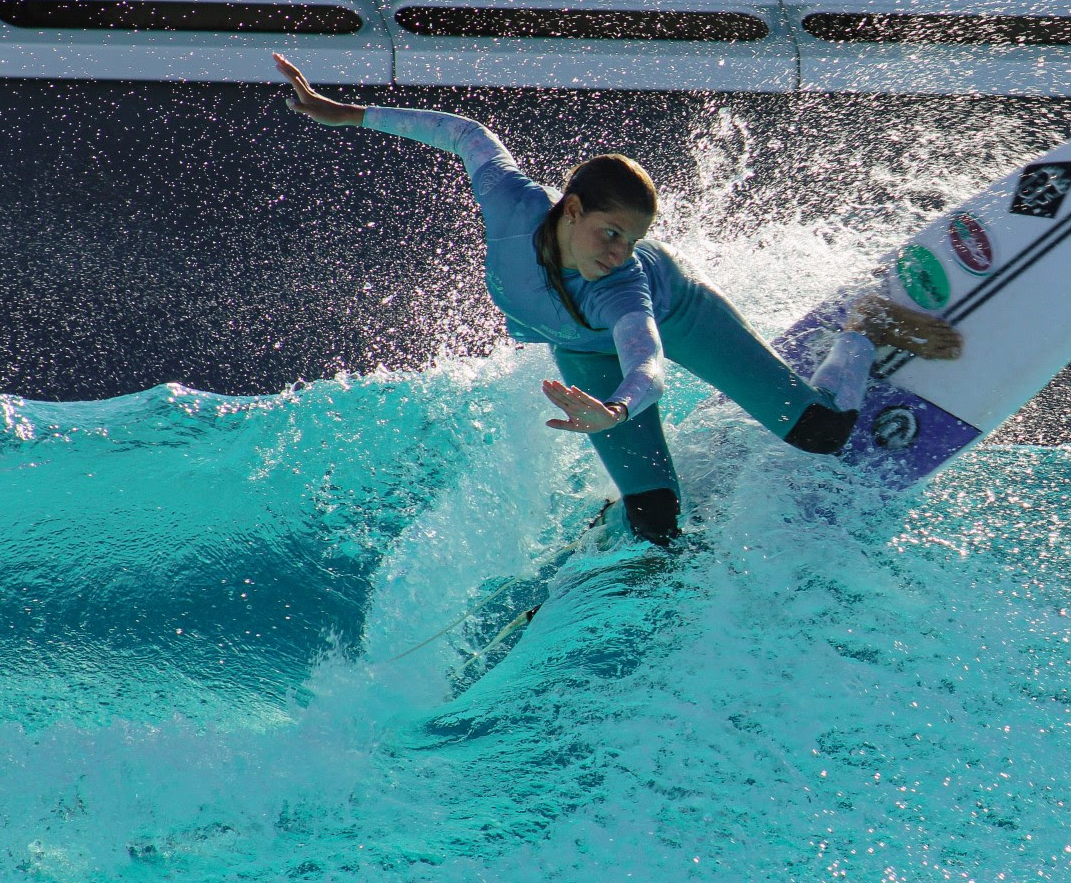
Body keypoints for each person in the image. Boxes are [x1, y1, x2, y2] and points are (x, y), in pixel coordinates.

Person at [274, 53, 961, 546]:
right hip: (581, 353)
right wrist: (341, 113)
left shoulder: (624, 285)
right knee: (654, 517)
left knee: (821, 435)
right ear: (569, 210)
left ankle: (863, 327)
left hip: (680, 317)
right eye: (609, 232)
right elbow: (462, 131)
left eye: (633, 239)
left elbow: (650, 360)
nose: (617, 250)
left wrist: (618, 409)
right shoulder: (511, 205)